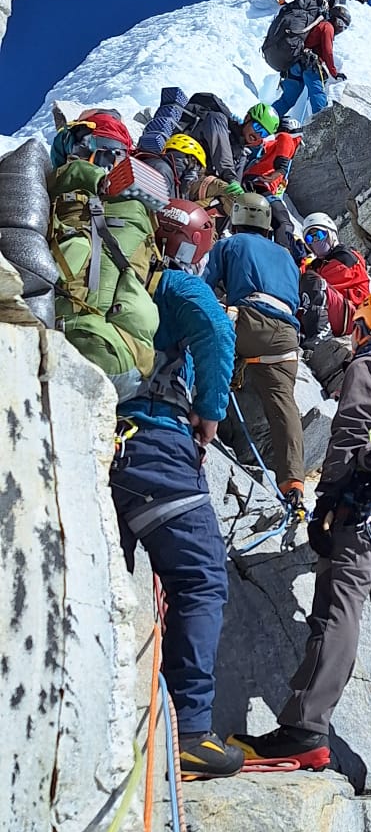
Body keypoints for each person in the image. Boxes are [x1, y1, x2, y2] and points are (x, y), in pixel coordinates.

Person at [229, 290, 371, 792]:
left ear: (363, 329)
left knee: (337, 610)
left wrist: (328, 501)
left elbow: (350, 429)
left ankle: (304, 730)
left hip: (366, 509)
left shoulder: (370, 366)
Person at [111, 201, 243, 779]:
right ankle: (189, 731)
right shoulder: (176, 286)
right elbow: (216, 330)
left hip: (100, 438)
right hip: (157, 446)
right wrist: (210, 412)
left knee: (112, 582)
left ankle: (105, 717)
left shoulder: (105, 281)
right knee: (200, 579)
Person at [204, 193, 306, 519]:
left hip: (248, 321)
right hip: (286, 336)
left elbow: (203, 287)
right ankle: (293, 483)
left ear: (236, 219)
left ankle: (192, 419)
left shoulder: (229, 244)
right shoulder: (287, 256)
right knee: (283, 405)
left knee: (202, 341)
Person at [269, 6, 350, 124]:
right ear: (333, 18)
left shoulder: (318, 24)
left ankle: (267, 119)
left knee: (288, 99)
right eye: (340, 23)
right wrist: (334, 73)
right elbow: (328, 51)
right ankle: (322, 124)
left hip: (295, 64)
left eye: (344, 27)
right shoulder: (328, 27)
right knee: (317, 94)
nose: (341, 28)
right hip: (310, 65)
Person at [299, 212, 370, 334]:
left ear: (331, 234)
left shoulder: (344, 258)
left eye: (320, 235)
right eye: (310, 239)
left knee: (313, 283)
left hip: (352, 315)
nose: (316, 241)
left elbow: (322, 285)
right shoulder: (320, 263)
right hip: (341, 311)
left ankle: (318, 334)